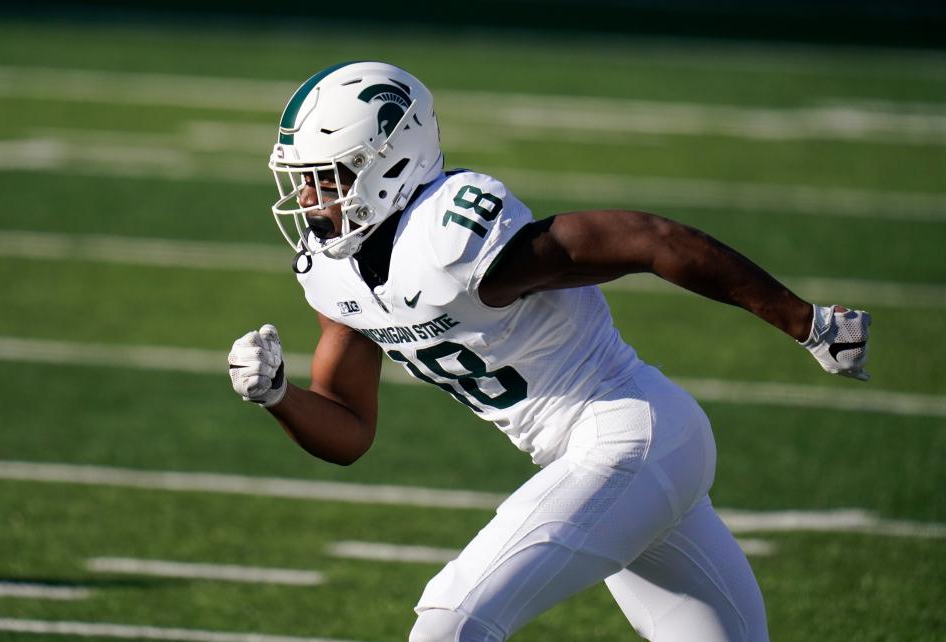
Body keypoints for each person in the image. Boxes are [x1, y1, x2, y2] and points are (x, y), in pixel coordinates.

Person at [227, 61, 870, 642]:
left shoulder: (451, 241)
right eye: (304, 182)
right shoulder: (334, 276)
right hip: (616, 455)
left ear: (390, 162)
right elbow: (350, 430)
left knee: (452, 623)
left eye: (327, 179)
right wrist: (281, 397)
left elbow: (650, 239)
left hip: (624, 432)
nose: (309, 200)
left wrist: (806, 322)